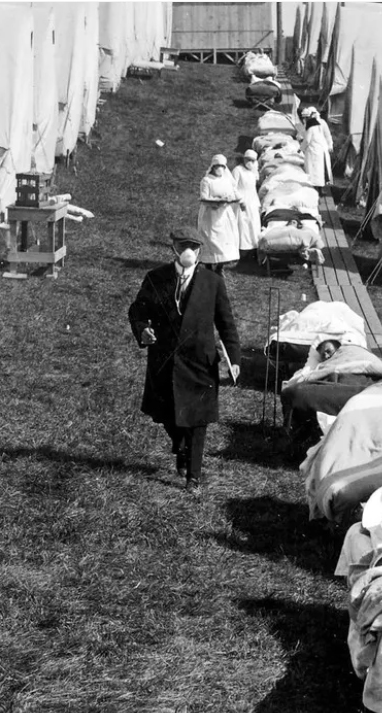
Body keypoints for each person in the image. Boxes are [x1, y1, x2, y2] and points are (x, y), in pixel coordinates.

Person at [128, 227, 242, 496]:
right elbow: (138, 310)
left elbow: (226, 322)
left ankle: (194, 476)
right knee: (168, 414)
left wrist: (234, 357)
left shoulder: (212, 283)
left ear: (200, 250)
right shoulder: (156, 278)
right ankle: (180, 446)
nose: (188, 251)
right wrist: (143, 329)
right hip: (165, 359)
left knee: (198, 419)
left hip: (200, 361)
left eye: (193, 245)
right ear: (174, 249)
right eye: (183, 245)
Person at [198, 154, 241, 270]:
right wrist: (216, 201)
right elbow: (203, 197)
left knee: (224, 239)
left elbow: (235, 194)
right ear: (213, 166)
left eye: (222, 166)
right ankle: (208, 264)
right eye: (217, 166)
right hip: (210, 214)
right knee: (210, 238)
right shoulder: (206, 181)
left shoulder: (227, 180)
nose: (220, 168)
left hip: (224, 214)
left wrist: (230, 199)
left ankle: (219, 266)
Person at [232, 149, 261, 256]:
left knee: (253, 224)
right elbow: (233, 187)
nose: (250, 162)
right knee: (243, 225)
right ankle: (242, 249)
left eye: (253, 160)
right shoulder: (237, 170)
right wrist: (240, 200)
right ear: (244, 159)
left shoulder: (253, 171)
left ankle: (253, 248)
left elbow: (253, 189)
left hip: (252, 200)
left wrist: (257, 203)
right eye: (248, 160)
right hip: (241, 201)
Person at [300, 106, 333, 190]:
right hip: (318, 149)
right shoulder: (313, 125)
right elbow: (303, 135)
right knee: (319, 171)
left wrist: (301, 148)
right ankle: (320, 189)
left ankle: (317, 189)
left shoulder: (316, 125)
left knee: (316, 171)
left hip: (316, 150)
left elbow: (307, 140)